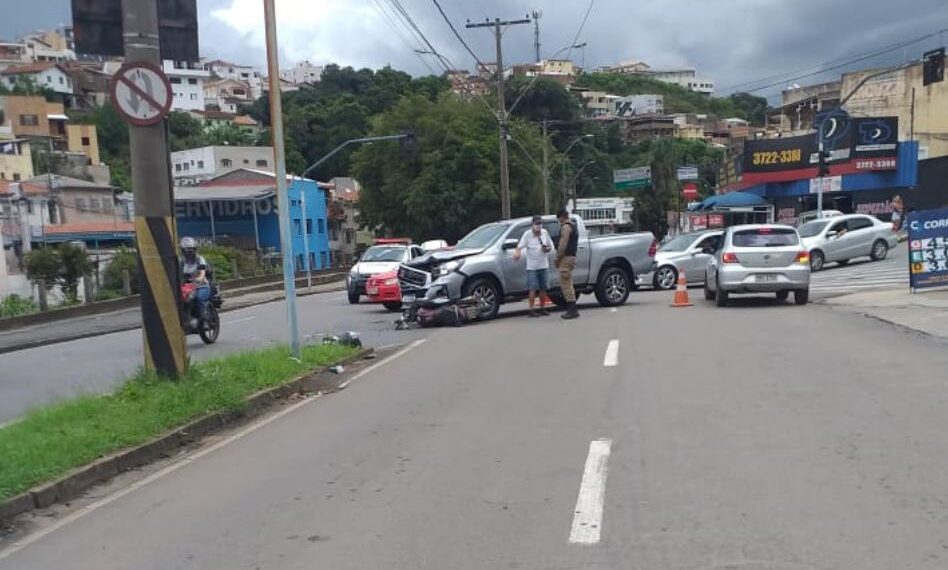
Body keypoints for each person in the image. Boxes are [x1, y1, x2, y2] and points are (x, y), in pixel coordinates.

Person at [513, 215, 554, 317]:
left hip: (543, 265)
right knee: (532, 288)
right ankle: (531, 309)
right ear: (532, 224)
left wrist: (547, 249)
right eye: (536, 224)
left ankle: (542, 307)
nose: (538, 226)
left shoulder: (544, 233)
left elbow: (551, 246)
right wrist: (517, 253)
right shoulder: (527, 234)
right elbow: (519, 246)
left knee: (543, 287)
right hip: (532, 267)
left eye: (540, 224)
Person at [180, 236, 211, 328]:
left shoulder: (200, 260)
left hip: (201, 286)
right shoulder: (181, 262)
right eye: (187, 250)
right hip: (186, 288)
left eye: (191, 250)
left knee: (197, 298)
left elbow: (202, 272)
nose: (189, 253)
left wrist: (199, 278)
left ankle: (204, 320)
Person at [556, 208, 580, 320]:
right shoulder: (573, 226)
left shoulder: (566, 227)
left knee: (566, 284)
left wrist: (557, 259)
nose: (559, 221)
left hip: (566, 257)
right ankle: (572, 308)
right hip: (571, 257)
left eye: (559, 219)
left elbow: (562, 246)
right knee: (568, 283)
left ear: (562, 217)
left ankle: (572, 309)